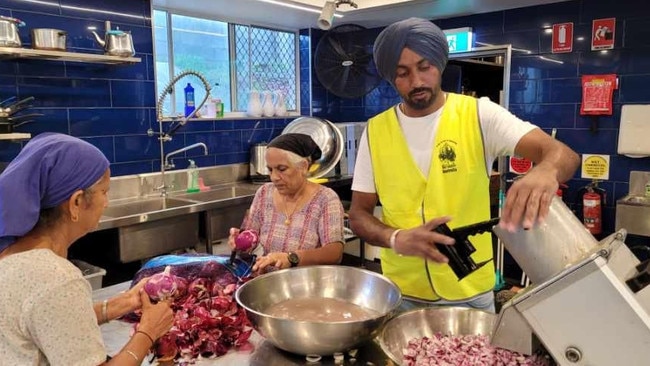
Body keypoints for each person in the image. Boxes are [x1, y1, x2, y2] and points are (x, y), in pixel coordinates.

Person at [348, 18, 580, 312]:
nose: (417, 81)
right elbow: (358, 214)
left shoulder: (479, 114)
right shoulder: (376, 131)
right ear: (391, 78)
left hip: (470, 294)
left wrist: (546, 170)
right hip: (401, 294)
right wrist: (395, 238)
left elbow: (564, 155)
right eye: (402, 73)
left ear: (440, 64)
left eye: (424, 67)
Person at [0, 133, 174, 365]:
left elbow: (52, 323)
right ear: (76, 202)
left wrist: (121, 304)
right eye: (104, 192)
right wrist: (148, 332)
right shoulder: (56, 278)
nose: (107, 202)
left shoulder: (13, 253)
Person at [228, 133, 345, 273]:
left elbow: (334, 253)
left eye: (282, 169)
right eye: (270, 170)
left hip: (307, 286)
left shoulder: (325, 199)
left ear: (303, 166)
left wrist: (291, 258)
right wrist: (239, 241)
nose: (274, 177)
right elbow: (250, 235)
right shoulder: (264, 193)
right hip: (268, 282)